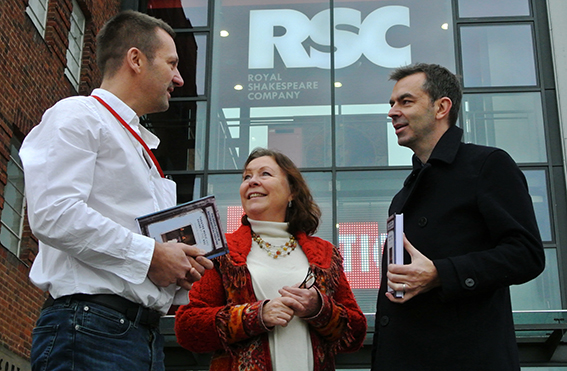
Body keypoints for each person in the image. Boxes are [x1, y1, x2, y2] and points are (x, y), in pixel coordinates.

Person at [20, 10, 213, 371]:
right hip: (91, 328)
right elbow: (54, 214)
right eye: (172, 63)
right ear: (135, 59)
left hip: (134, 333)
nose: (180, 78)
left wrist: (176, 268)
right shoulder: (78, 115)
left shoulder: (135, 141)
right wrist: (153, 256)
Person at [371, 63, 545, 370]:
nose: (392, 112)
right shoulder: (404, 194)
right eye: (392, 104)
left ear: (441, 107)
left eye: (405, 101)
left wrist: (441, 273)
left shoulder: (487, 165)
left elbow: (527, 254)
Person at [175, 148, 367, 370]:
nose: (253, 181)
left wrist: (319, 309)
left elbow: (355, 334)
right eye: (247, 176)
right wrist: (256, 316)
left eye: (265, 174)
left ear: (292, 191)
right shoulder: (221, 251)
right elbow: (188, 328)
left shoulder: (325, 253)